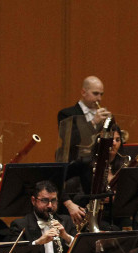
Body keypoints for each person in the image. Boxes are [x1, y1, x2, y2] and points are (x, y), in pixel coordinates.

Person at [7, 180, 83, 253]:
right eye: (44, 200)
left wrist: (65, 236)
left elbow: (81, 251)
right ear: (33, 200)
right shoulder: (20, 225)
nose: (49, 206)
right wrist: (38, 242)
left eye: (53, 201)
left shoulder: (66, 221)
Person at [57, 76, 112, 212]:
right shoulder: (67, 114)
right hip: (74, 167)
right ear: (83, 92)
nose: (99, 98)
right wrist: (93, 122)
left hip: (95, 168)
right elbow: (71, 139)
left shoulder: (105, 116)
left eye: (101, 94)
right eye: (95, 94)